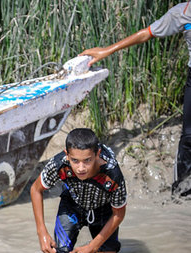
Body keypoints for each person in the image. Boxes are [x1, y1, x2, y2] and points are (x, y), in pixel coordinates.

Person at [80, 1, 191, 198]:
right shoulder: (182, 12)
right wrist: (108, 50)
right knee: (189, 137)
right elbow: (147, 33)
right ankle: (181, 194)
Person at [30, 128, 127, 253]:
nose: (81, 168)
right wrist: (41, 232)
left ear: (97, 154)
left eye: (87, 160)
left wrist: (92, 247)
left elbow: (119, 214)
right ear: (67, 155)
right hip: (72, 204)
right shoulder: (59, 164)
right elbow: (36, 189)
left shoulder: (112, 173)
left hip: (103, 208)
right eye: (75, 160)